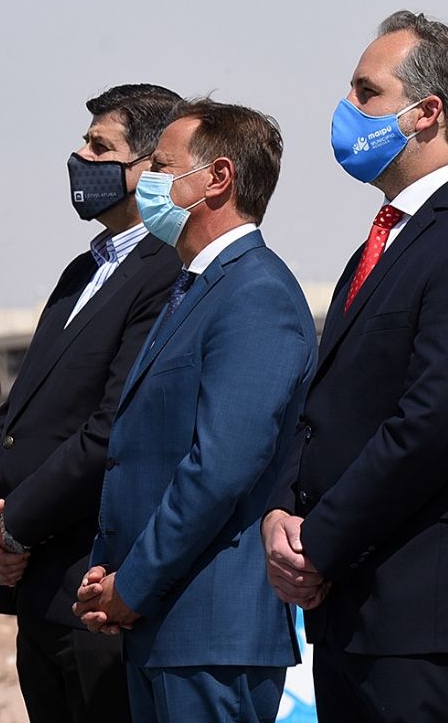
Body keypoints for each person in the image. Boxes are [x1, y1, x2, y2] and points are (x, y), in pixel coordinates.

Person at [262, 10, 448, 722]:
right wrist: (283, 512)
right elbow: (327, 408)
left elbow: (436, 421)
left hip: (434, 622)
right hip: (354, 613)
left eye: (367, 92)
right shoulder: (384, 243)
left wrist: (319, 543)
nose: (346, 108)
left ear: (427, 113)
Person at [74, 97, 314, 723]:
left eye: (161, 166)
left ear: (217, 178)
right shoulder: (195, 288)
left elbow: (219, 468)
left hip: (210, 632)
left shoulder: (255, 293)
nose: (145, 182)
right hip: (163, 625)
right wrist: (110, 573)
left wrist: (132, 584)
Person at [0, 83, 183, 723]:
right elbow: (17, 411)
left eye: (99, 147)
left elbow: (112, 426)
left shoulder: (167, 271)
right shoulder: (79, 272)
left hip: (93, 585)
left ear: (149, 166)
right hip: (35, 586)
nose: (80, 158)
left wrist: (16, 524)